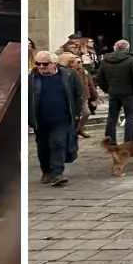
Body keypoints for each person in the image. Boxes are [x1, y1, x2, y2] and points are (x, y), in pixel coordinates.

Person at [29, 49, 83, 187]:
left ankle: (57, 173)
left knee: (57, 142)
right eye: (38, 64)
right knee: (43, 146)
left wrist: (76, 113)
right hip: (40, 119)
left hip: (62, 118)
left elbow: (78, 94)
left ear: (54, 64)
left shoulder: (69, 75)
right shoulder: (31, 78)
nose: (41, 67)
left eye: (45, 64)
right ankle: (46, 171)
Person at [95, 38, 133, 144]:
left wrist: (108, 90)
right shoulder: (132, 60)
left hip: (114, 93)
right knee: (130, 117)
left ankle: (110, 141)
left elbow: (99, 78)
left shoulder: (106, 59)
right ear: (127, 48)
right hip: (130, 94)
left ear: (115, 48)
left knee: (112, 117)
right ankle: (129, 142)